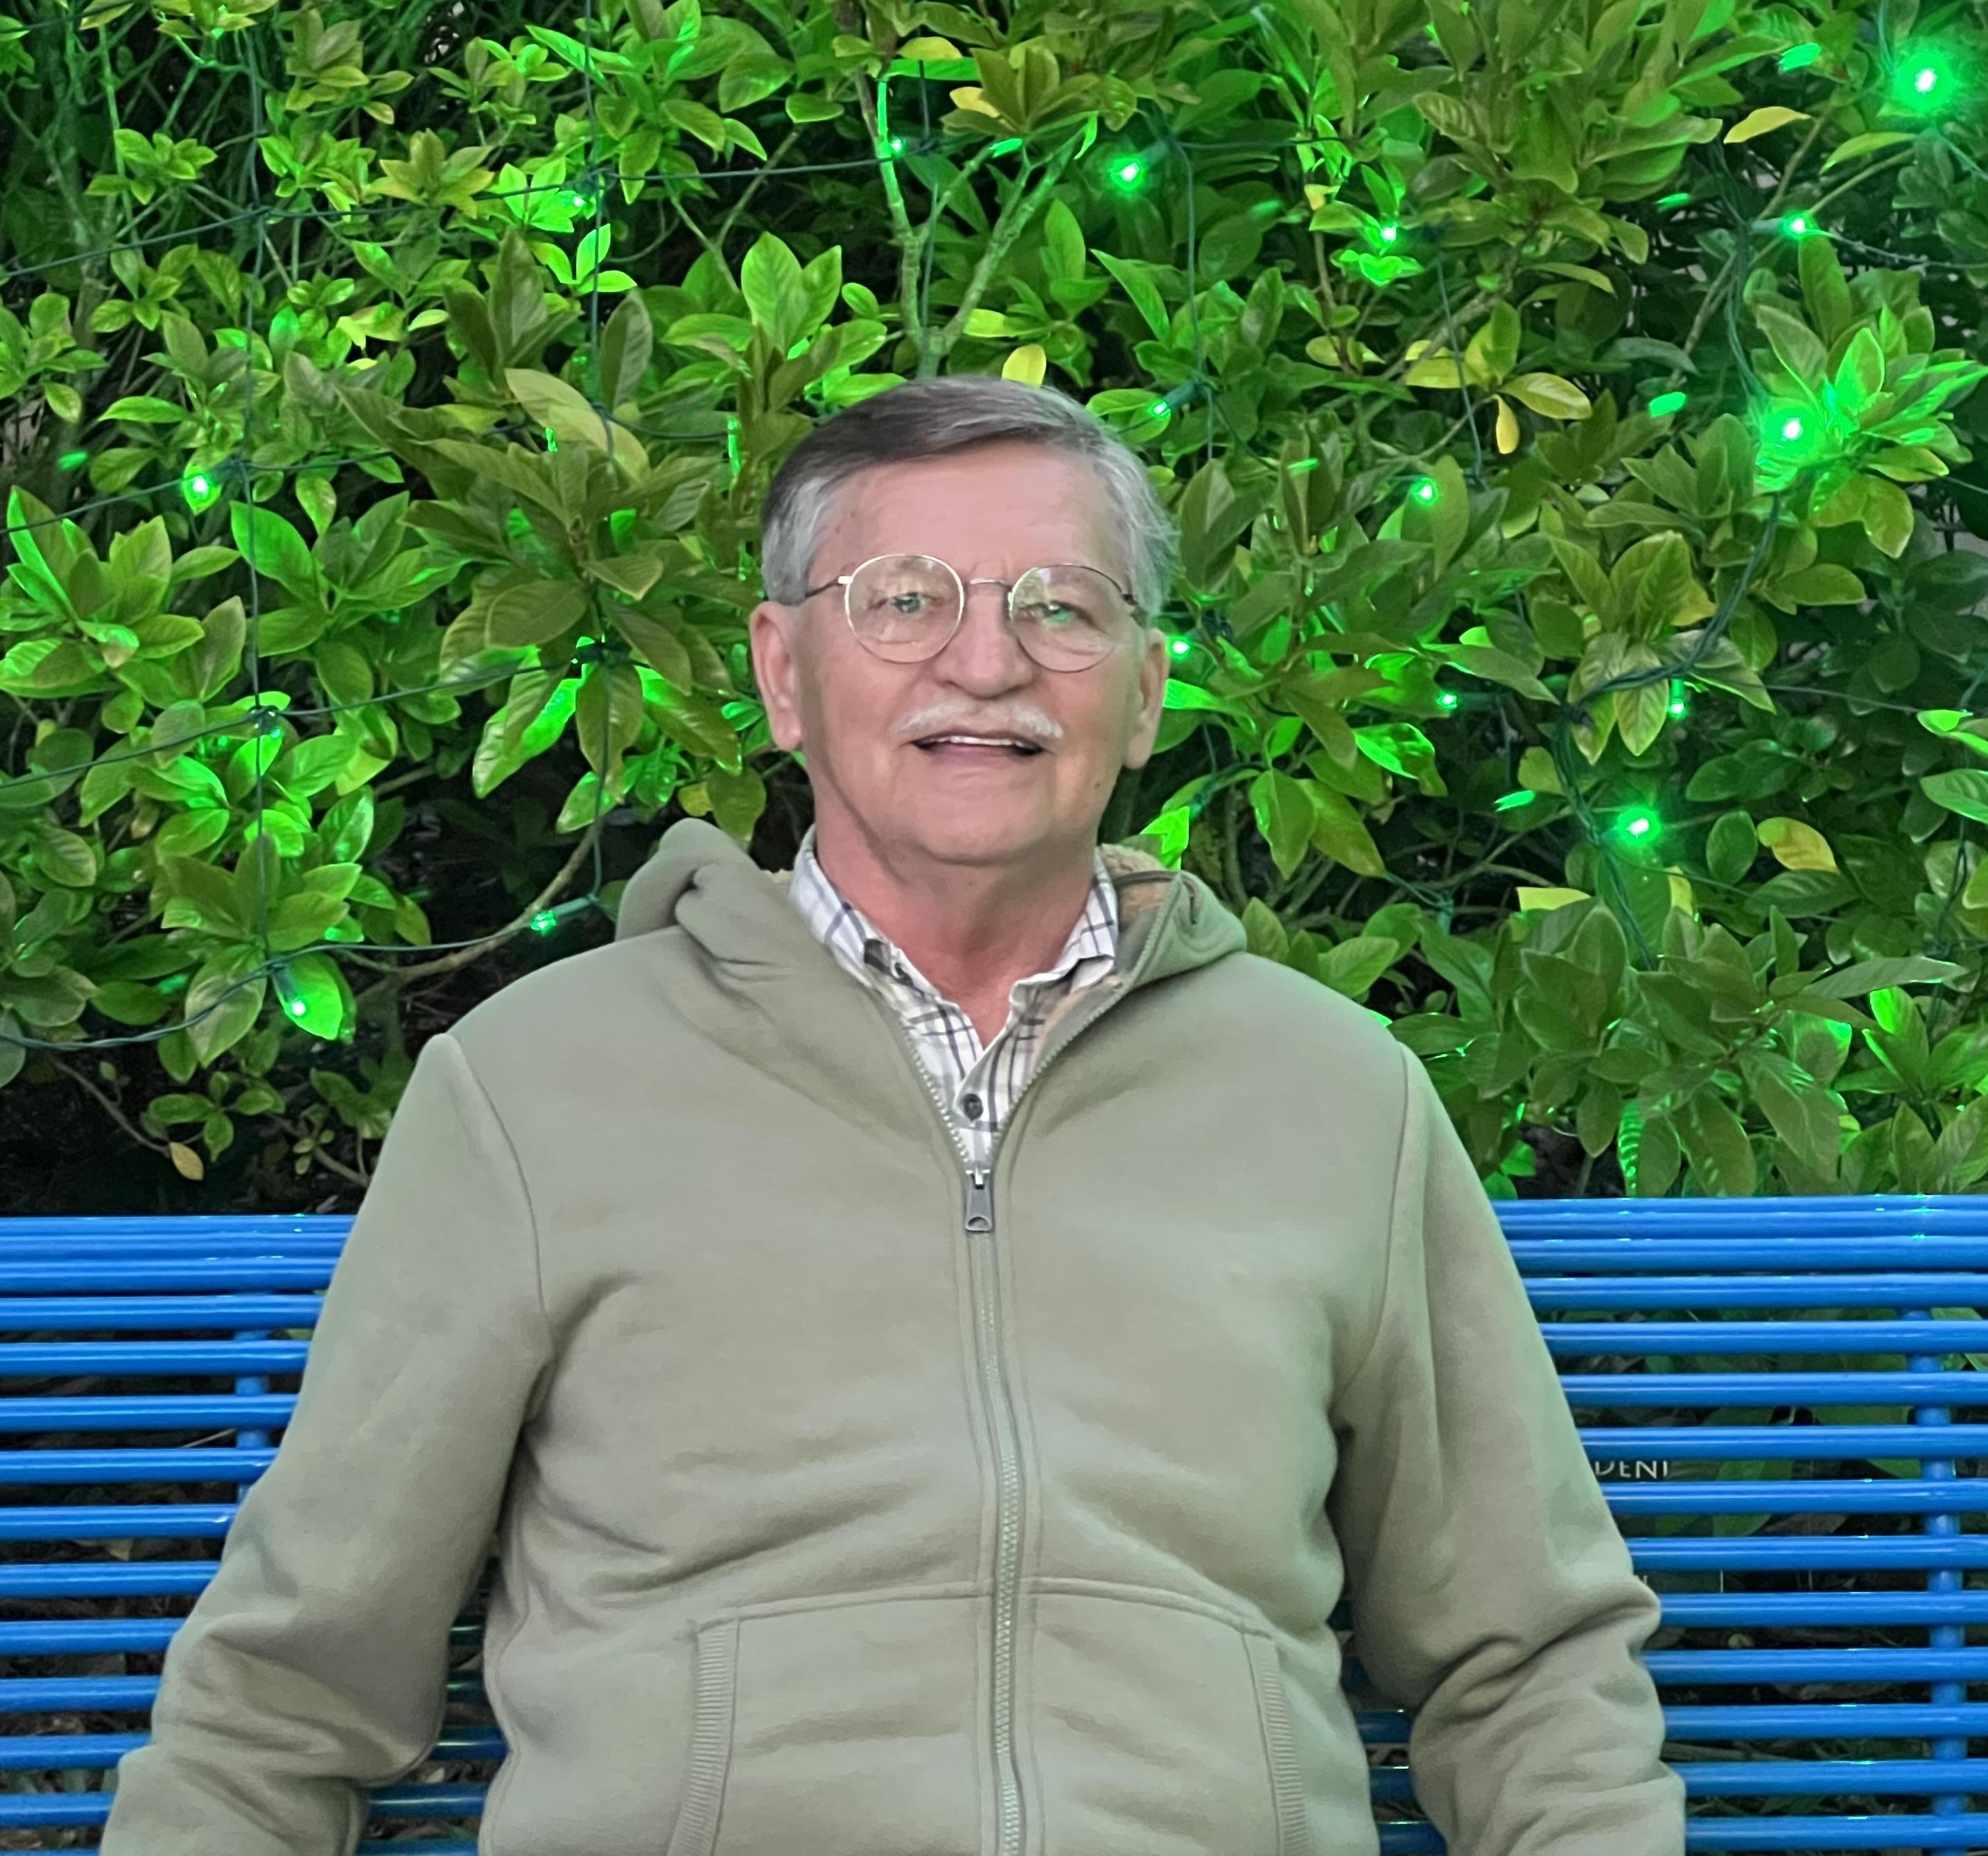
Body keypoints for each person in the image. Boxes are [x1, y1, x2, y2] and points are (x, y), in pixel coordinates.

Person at [103, 376, 1683, 1855]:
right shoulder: (537, 1086)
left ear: (1145, 692)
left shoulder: (1334, 1094)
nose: (986, 665)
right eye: (904, 601)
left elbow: (1528, 1665)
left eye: (1061, 607)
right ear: (784, 673)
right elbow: (287, 1693)